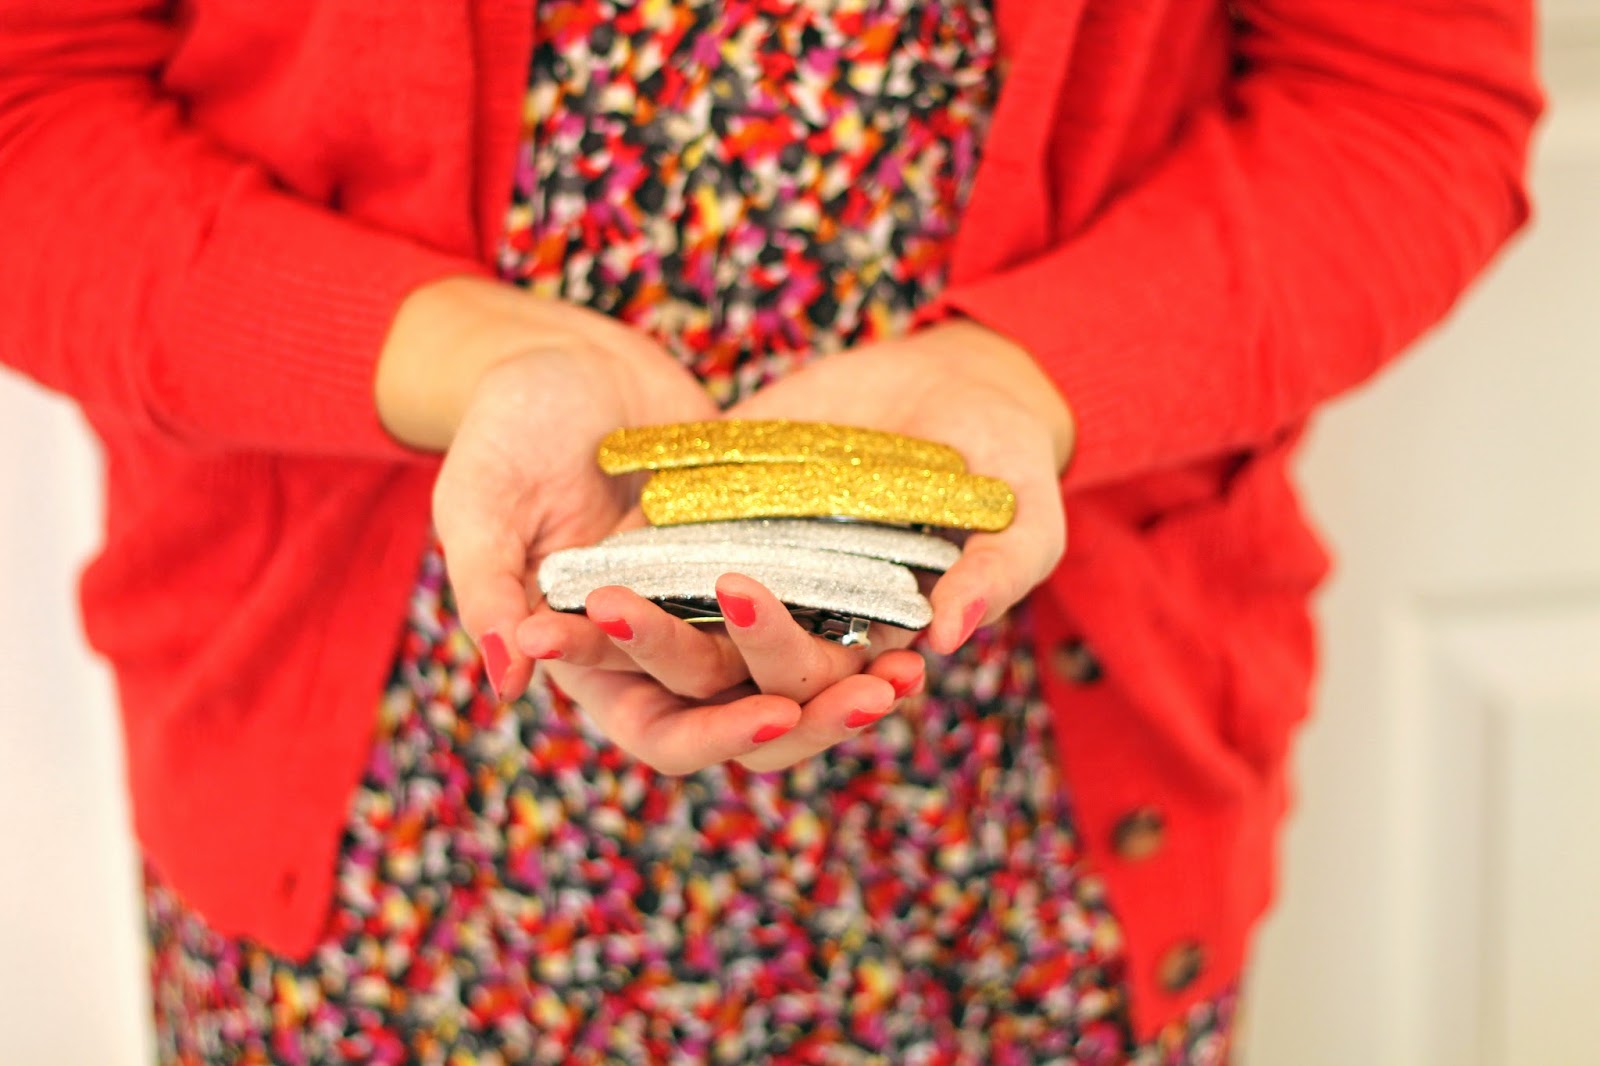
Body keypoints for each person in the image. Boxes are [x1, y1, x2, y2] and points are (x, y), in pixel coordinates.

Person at [0, 0, 1540, 1062]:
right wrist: (461, 356)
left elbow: (1403, 106)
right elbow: (31, 112)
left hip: (1030, 831)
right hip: (368, 837)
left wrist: (1031, 375)